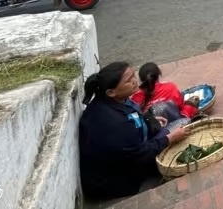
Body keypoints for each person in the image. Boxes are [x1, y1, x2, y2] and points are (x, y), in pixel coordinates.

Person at [79, 62, 188, 202]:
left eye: (133, 76)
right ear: (111, 92)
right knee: (183, 124)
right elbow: (141, 154)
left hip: (133, 144)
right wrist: (169, 139)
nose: (135, 81)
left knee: (165, 108)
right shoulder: (115, 122)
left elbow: (132, 116)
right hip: (122, 178)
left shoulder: (112, 100)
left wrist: (148, 120)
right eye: (128, 80)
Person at [130, 62, 200, 130]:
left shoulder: (135, 97)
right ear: (159, 74)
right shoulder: (170, 87)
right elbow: (179, 106)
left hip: (151, 128)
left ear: (141, 80)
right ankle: (185, 116)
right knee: (191, 103)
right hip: (168, 127)